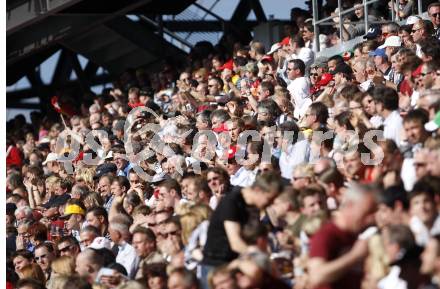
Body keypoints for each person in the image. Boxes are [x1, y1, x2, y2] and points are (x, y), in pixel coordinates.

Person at [201, 172, 283, 287]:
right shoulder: (232, 202)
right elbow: (235, 242)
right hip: (216, 266)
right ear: (258, 190)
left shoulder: (252, 205)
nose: (270, 204)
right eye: (269, 199)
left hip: (234, 263)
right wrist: (263, 259)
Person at [307, 183, 378, 289]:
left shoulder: (359, 234)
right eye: (367, 212)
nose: (372, 219)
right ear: (349, 205)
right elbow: (317, 276)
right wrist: (354, 256)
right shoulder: (326, 235)